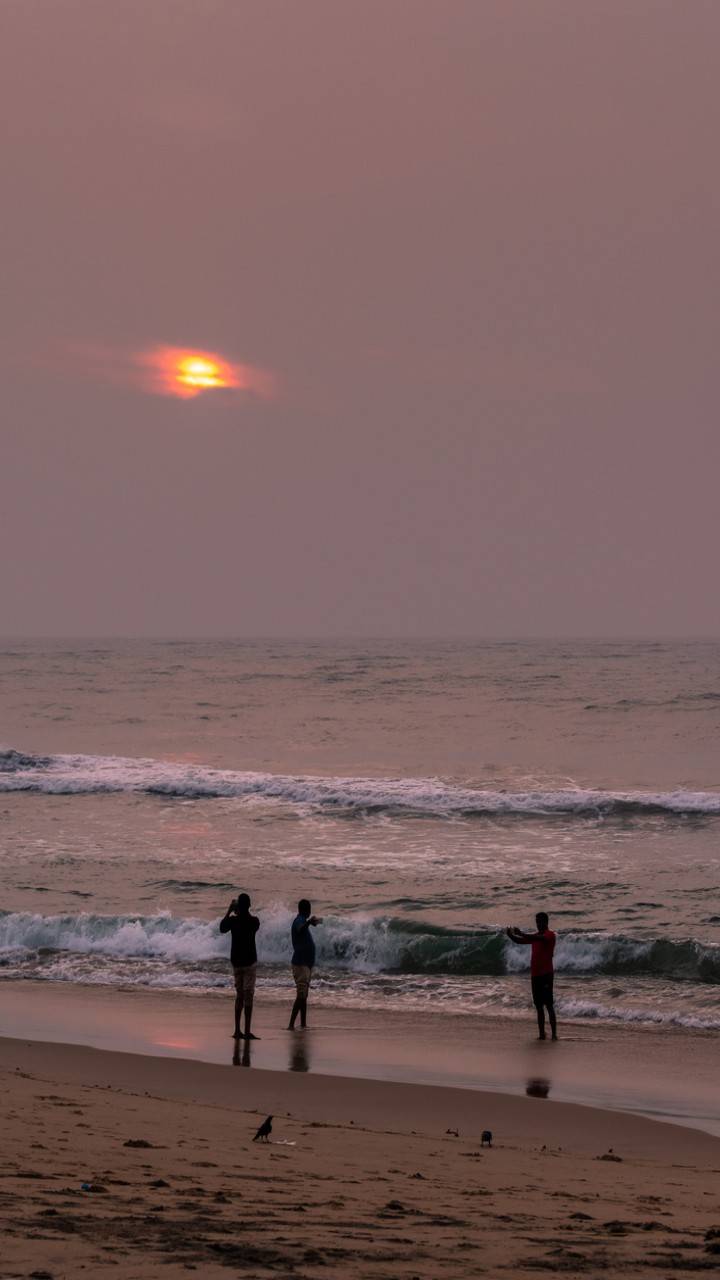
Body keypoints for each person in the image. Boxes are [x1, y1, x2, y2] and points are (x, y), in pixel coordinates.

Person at [506, 912, 558, 1041]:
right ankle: (541, 1034)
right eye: (536, 921)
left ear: (546, 922)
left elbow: (540, 939)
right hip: (535, 975)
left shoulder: (549, 935)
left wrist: (522, 933)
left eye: (539, 921)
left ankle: (554, 1034)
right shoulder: (535, 936)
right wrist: (511, 936)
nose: (538, 924)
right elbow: (520, 941)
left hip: (546, 974)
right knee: (538, 1006)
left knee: (549, 1005)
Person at [220, 892, 260, 1041]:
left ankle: (237, 1030)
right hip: (249, 963)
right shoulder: (254, 921)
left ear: (238, 906)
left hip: (237, 962)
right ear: (249, 905)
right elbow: (250, 924)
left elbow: (222, 928)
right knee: (248, 996)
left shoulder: (233, 921)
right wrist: (236, 911)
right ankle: (247, 1031)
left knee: (240, 996)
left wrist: (230, 910)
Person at [288, 898, 322, 1030]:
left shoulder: (302, 920)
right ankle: (291, 1024)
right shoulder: (299, 920)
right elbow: (300, 929)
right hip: (300, 963)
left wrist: (309, 923)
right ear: (307, 910)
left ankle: (303, 1023)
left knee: (304, 996)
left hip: (305, 964)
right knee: (301, 995)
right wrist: (308, 922)